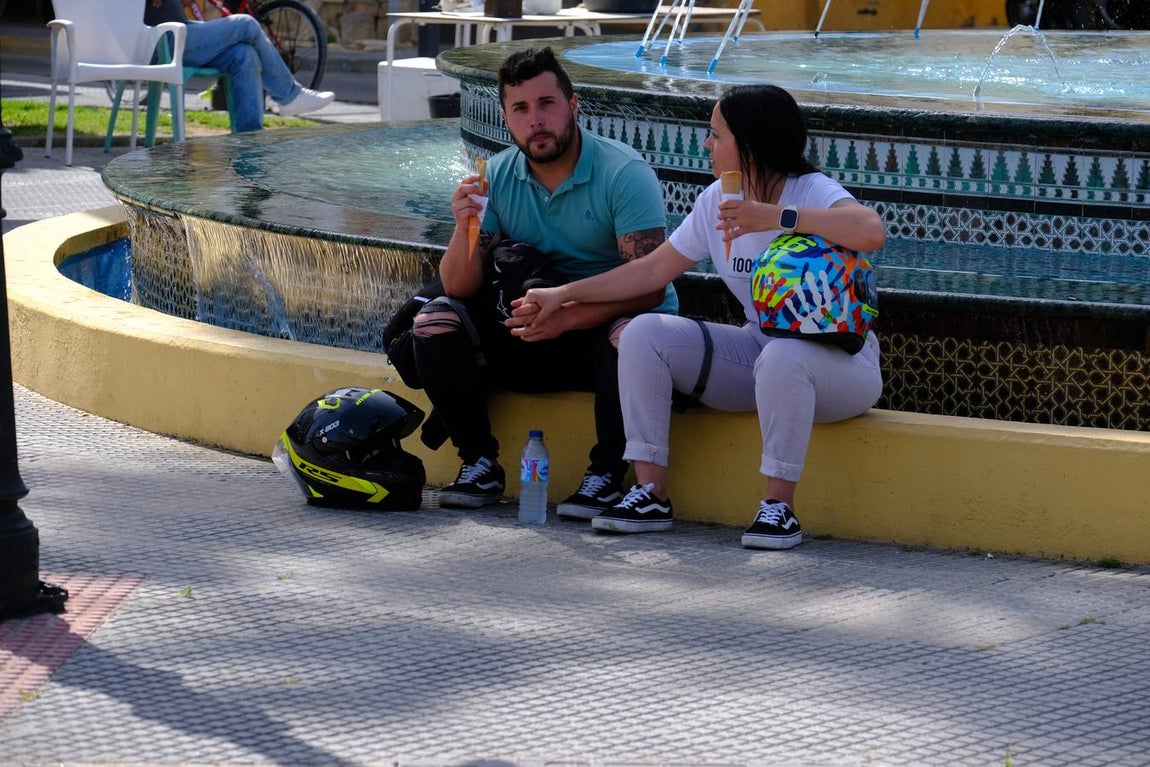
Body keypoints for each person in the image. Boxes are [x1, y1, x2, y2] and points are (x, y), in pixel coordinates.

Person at [514, 84, 886, 550]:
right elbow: (651, 270)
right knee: (645, 333)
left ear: (749, 142)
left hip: (840, 366)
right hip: (760, 349)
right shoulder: (716, 200)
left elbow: (870, 231)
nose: (706, 145)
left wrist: (775, 216)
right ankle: (650, 493)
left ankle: (779, 509)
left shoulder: (810, 190)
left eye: (715, 135)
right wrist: (563, 295)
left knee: (786, 358)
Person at [412, 46, 675, 514]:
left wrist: (567, 317)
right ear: (506, 118)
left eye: (547, 104)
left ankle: (607, 475)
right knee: (435, 320)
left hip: (604, 328)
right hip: (533, 328)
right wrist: (464, 227)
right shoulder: (496, 176)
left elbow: (651, 287)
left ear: (573, 106)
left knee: (629, 333)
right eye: (521, 108)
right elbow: (458, 287)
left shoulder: (623, 172)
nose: (536, 120)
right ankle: (478, 463)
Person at [144, 0, 334, 133]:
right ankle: (289, 96)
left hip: (179, 36)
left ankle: (249, 141)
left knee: (245, 55)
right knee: (245, 23)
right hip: (161, 41)